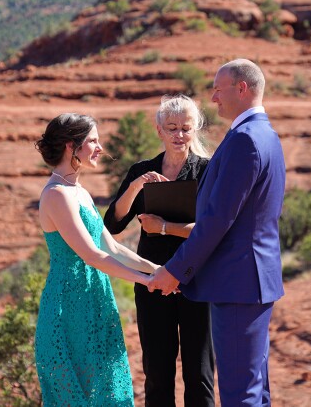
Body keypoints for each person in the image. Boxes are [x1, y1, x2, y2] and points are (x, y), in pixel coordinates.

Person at [147, 59, 286, 406]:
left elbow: (217, 219)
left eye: (218, 88)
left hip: (238, 283)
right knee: (254, 388)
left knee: (241, 395)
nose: (213, 97)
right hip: (251, 280)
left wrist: (174, 271)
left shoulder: (245, 140)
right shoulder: (263, 133)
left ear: (241, 88)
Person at [34, 113, 159, 406]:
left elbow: (112, 247)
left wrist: (156, 269)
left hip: (96, 299)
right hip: (68, 305)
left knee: (108, 389)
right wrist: (145, 280)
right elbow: (91, 255)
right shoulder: (56, 195)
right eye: (92, 141)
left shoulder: (80, 192)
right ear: (70, 146)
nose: (100, 147)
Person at [104, 95, 216, 407]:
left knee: (200, 374)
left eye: (185, 128)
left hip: (197, 282)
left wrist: (164, 227)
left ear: (195, 130)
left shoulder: (207, 170)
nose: (179, 135)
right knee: (156, 374)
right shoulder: (143, 170)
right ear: (159, 131)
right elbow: (113, 223)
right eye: (172, 128)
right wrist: (136, 185)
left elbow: (212, 231)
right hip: (152, 282)